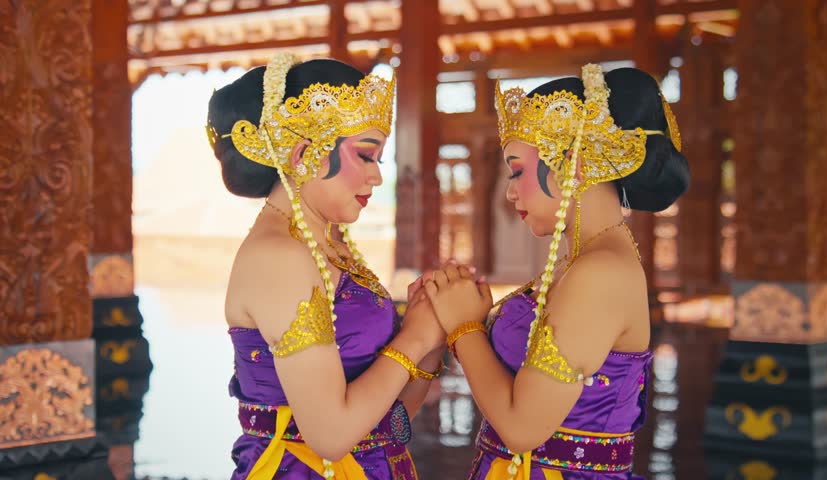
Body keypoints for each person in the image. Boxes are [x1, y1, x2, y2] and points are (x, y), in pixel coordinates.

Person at [423, 64, 690, 479]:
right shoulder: (580, 260)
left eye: (517, 171)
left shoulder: (600, 273)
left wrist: (464, 328)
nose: (511, 190)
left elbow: (521, 429)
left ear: (574, 162)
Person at [206, 53, 446, 480]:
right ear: (303, 152)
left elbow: (386, 421)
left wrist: (433, 338)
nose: (376, 177)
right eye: (366, 156)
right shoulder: (279, 256)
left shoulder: (331, 246)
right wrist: (414, 337)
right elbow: (332, 435)